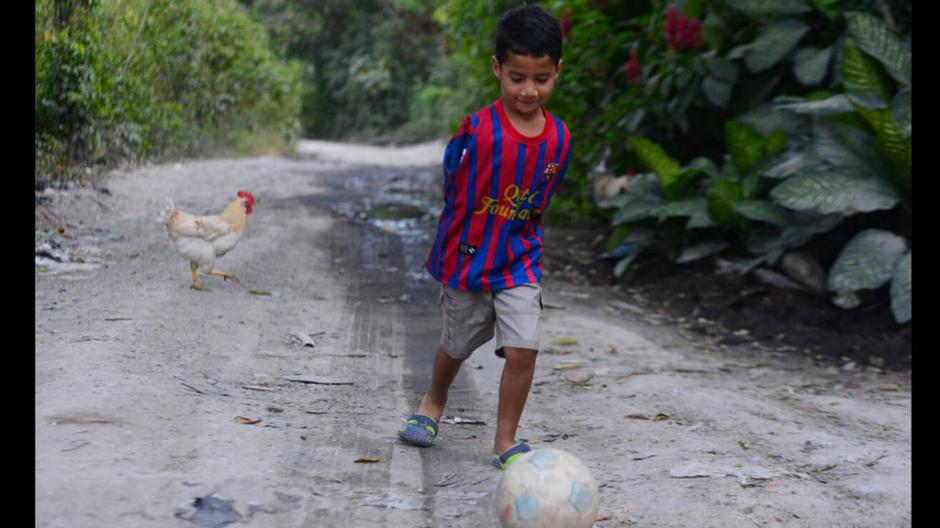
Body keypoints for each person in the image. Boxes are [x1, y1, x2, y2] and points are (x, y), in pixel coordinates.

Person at [398, 5, 572, 470]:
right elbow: (452, 182)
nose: (529, 90)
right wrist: (459, 245)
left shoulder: (559, 138)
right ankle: (434, 400)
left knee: (523, 349)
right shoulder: (479, 132)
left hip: (519, 260)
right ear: (497, 69)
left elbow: (541, 200)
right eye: (517, 78)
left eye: (541, 78)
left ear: (557, 69)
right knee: (456, 344)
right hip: (468, 262)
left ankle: (504, 441)